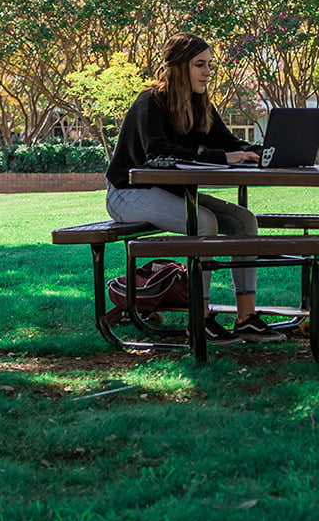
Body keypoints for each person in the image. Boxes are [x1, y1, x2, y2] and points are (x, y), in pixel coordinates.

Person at [105, 33, 283, 345]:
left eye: (209, 65)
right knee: (204, 222)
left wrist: (264, 152)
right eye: (200, 64)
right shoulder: (150, 102)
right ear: (178, 67)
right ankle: (199, 320)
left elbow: (230, 144)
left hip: (173, 193)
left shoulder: (201, 105)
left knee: (244, 221)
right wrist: (221, 157)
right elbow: (157, 153)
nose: (207, 72)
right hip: (126, 193)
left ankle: (246, 319)